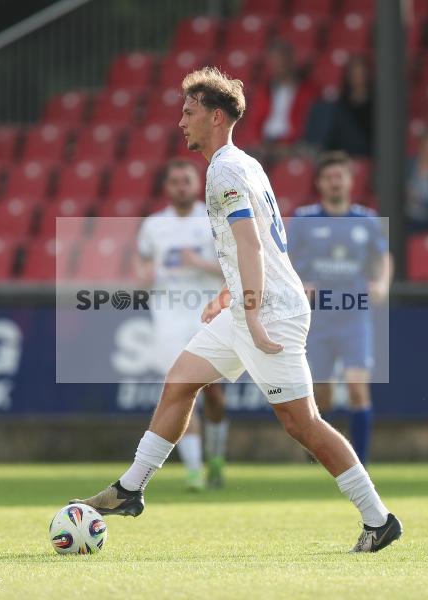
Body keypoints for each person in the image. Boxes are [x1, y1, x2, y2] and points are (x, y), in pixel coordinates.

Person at [72, 67, 401, 553]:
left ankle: (379, 519)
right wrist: (231, 297)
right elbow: (260, 244)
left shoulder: (224, 170)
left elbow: (251, 245)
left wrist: (247, 311)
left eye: (189, 112)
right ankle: (131, 489)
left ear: (216, 116)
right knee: (180, 380)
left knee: (301, 422)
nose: (181, 121)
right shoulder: (243, 163)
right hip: (253, 303)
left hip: (269, 311)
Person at [287, 151, 392, 465]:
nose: (335, 182)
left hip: (354, 316)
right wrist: (298, 285)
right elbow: (284, 262)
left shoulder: (367, 220)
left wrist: (382, 283)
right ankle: (318, 454)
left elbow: (383, 258)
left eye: (340, 176)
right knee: (322, 395)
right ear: (320, 183)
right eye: (329, 177)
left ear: (350, 181)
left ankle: (359, 462)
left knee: (358, 389)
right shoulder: (304, 221)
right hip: (316, 320)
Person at [134, 159, 229, 490]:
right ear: (167, 187)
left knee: (214, 395)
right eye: (175, 182)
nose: (181, 187)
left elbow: (234, 269)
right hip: (168, 318)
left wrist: (197, 262)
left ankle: (215, 456)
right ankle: (194, 471)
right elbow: (143, 265)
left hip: (208, 314)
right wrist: (143, 275)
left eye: (186, 181)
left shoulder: (212, 221)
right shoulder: (153, 226)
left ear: (196, 184)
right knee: (181, 389)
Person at [304, 54, 375, 156]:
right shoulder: (343, 100)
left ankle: (315, 147)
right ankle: (313, 145)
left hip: (362, 144)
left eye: (362, 72)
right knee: (321, 106)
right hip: (339, 143)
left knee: (330, 109)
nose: (359, 76)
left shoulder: (375, 102)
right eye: (355, 72)